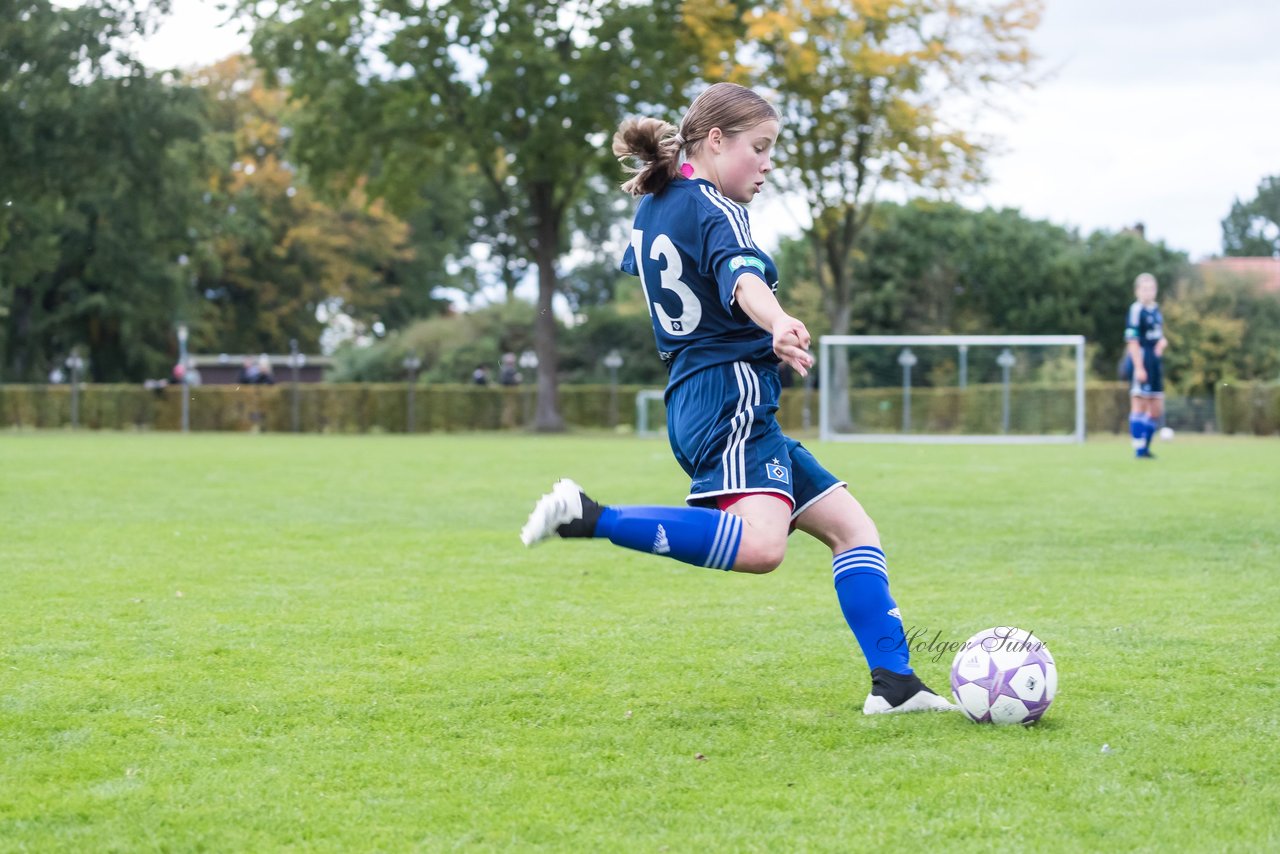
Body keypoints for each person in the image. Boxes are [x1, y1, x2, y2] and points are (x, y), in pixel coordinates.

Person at [521, 82, 955, 715]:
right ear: (716, 141)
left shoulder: (656, 204)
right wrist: (776, 321)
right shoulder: (714, 207)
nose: (768, 163)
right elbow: (739, 274)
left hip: (704, 394)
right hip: (731, 395)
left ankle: (895, 685)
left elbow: (646, 265)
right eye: (760, 147)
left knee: (852, 530)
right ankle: (588, 516)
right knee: (761, 547)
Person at [1125, 273, 1168, 458]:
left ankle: (1145, 448)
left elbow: (1158, 335)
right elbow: (1132, 341)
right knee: (1139, 404)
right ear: (1137, 291)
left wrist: (1162, 343)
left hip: (1155, 363)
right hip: (1141, 361)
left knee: (1157, 408)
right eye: (1144, 288)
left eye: (1151, 288)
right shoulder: (1136, 310)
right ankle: (1139, 449)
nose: (1148, 292)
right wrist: (1139, 367)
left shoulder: (1156, 310)